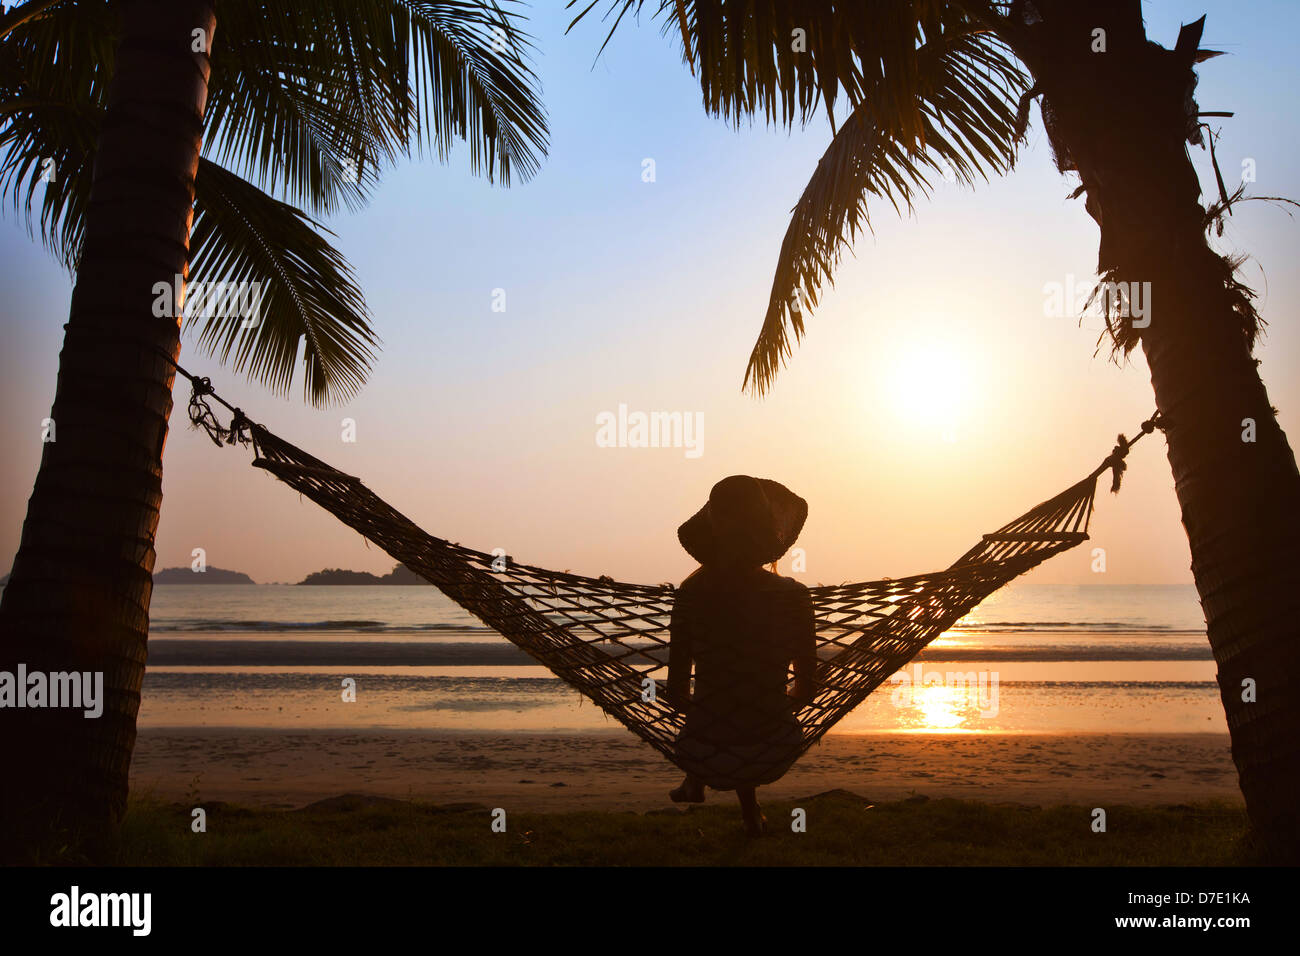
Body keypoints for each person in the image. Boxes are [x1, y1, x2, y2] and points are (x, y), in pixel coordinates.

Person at [665, 475, 818, 836]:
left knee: (719, 712)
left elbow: (675, 692)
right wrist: (768, 707)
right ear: (769, 530)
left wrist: (715, 711)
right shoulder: (794, 598)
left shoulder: (691, 597)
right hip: (773, 747)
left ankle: (695, 782)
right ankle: (748, 812)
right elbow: (807, 689)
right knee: (741, 713)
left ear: (712, 527)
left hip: (702, 750)